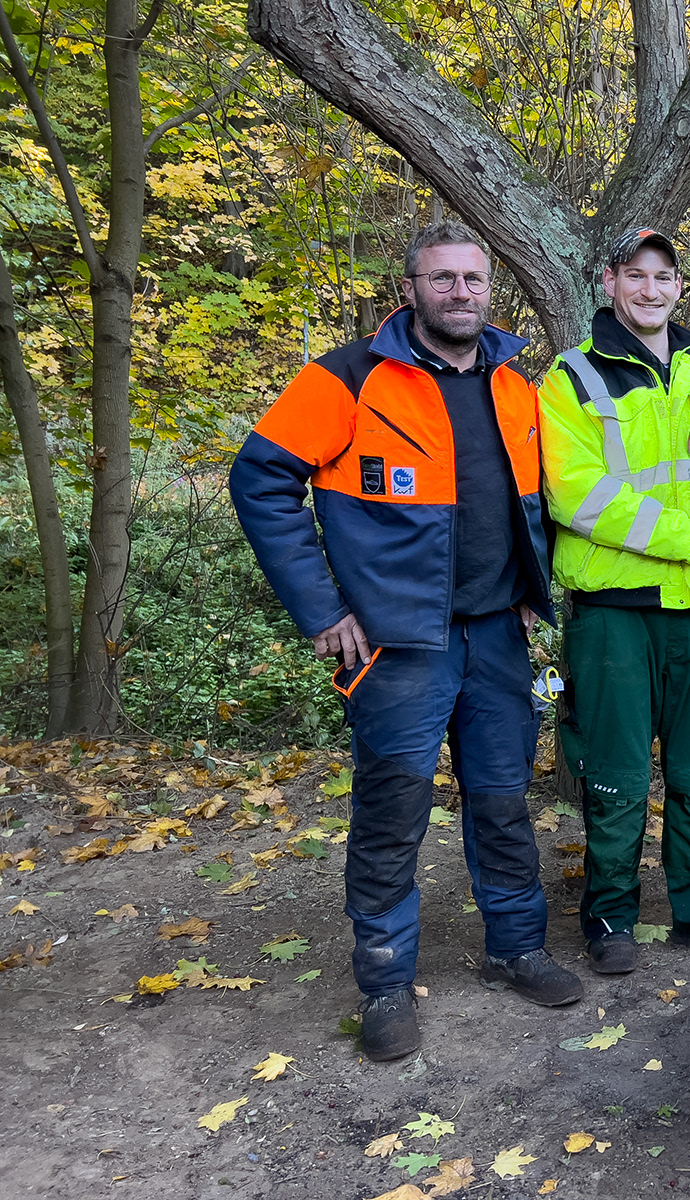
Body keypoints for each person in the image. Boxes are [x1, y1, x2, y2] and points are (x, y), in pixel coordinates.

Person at [229, 220, 581, 1063]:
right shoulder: (348, 378)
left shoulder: (515, 386)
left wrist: (529, 589)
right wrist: (323, 610)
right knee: (392, 811)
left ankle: (516, 947)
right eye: (442, 278)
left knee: (502, 799)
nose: (460, 292)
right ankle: (385, 980)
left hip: (496, 635)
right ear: (411, 288)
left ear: (489, 288)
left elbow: (531, 503)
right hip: (395, 646)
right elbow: (260, 478)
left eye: (473, 279)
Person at [540, 227, 690, 975]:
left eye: (665, 277)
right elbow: (578, 496)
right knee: (615, 773)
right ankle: (610, 916)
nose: (652, 289)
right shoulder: (572, 379)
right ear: (610, 282)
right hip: (615, 609)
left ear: (680, 286)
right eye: (637, 275)